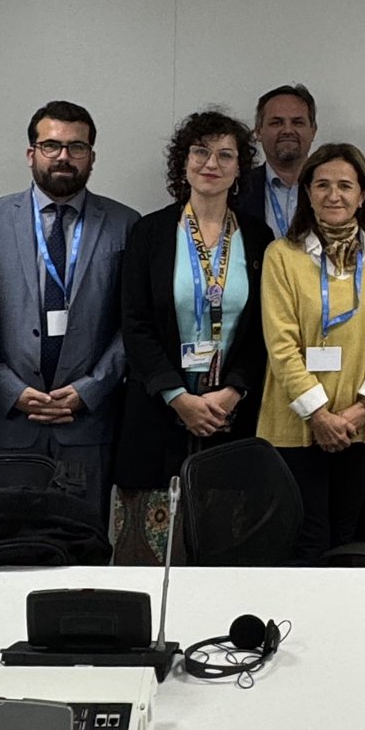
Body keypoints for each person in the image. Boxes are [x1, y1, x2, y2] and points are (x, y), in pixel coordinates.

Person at [0, 101, 139, 526]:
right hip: (8, 421)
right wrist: (10, 389)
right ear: (31, 153)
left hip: (87, 423)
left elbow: (133, 323)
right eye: (51, 145)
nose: (63, 156)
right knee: (4, 546)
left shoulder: (125, 224)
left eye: (76, 147)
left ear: (92, 157)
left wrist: (91, 389)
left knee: (81, 545)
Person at [113, 110, 270, 564]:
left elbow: (266, 330)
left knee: (224, 556)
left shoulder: (259, 239)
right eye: (201, 151)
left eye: (226, 155)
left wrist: (233, 391)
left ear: (240, 168)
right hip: (156, 414)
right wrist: (177, 396)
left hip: (229, 418)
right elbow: (135, 323)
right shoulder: (150, 233)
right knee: (146, 562)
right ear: (183, 162)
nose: (211, 163)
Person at [258, 142, 365, 564]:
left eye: (345, 185)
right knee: (306, 537)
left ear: (363, 194)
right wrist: (320, 416)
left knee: (348, 535)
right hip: (297, 423)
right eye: (322, 184)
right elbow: (281, 344)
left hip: (364, 424)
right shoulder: (282, 256)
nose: (333, 195)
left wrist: (360, 409)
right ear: (307, 193)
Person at [240, 84, 318, 238]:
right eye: (276, 123)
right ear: (259, 132)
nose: (288, 130)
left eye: (298, 122)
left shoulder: (334, 188)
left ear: (313, 131)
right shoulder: (238, 189)